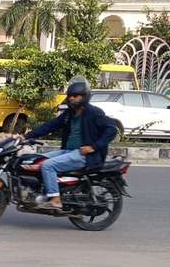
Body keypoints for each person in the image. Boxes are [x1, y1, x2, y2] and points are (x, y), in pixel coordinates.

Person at [19, 77, 119, 210]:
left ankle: (55, 200)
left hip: (85, 155)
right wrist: (26, 136)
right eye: (70, 96)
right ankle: (41, 192)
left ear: (84, 97)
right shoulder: (69, 114)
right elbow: (50, 125)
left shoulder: (94, 113)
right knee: (37, 161)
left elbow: (112, 130)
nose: (71, 98)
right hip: (68, 151)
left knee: (48, 166)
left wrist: (93, 147)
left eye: (75, 96)